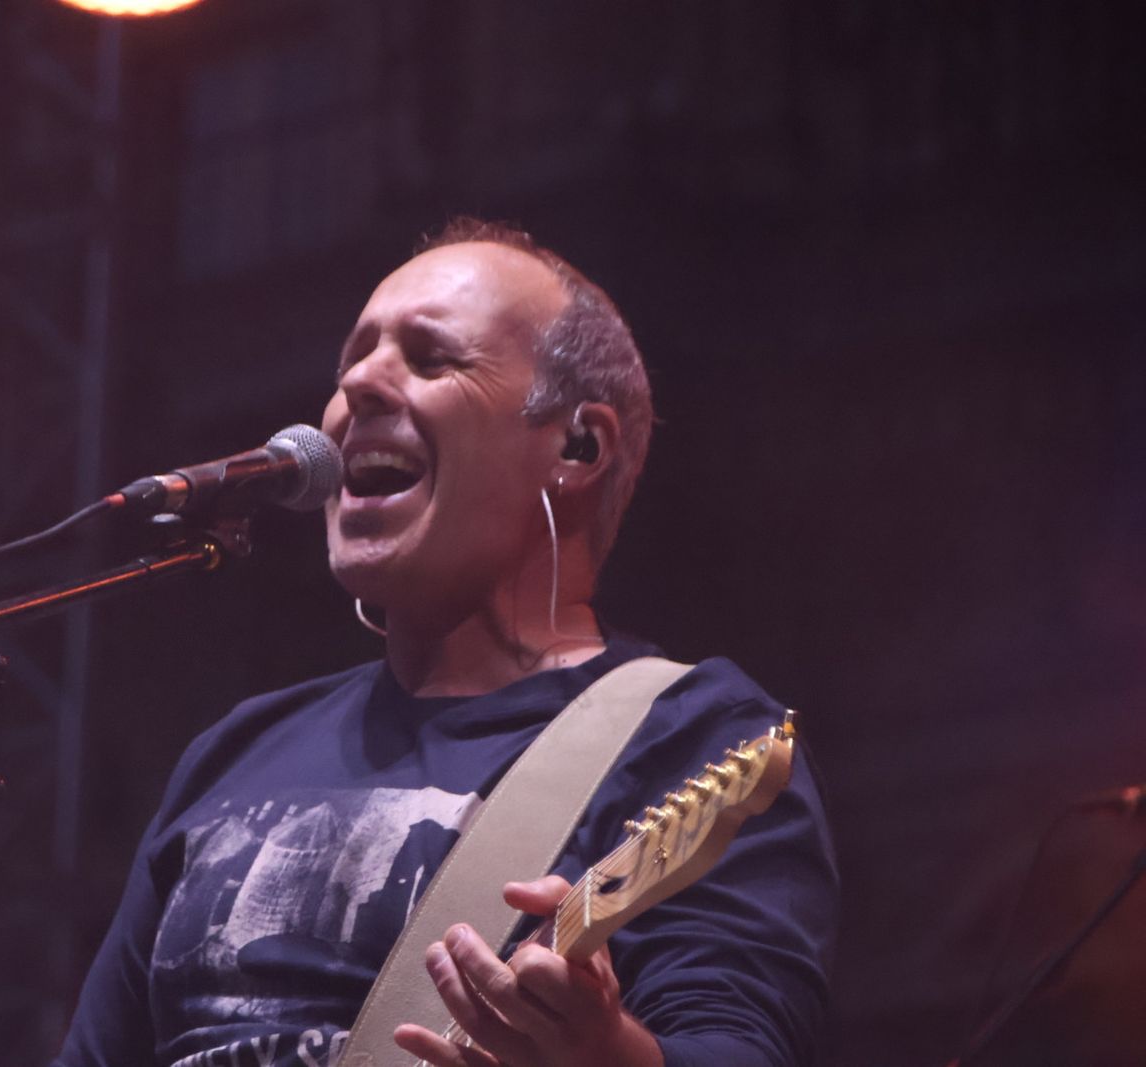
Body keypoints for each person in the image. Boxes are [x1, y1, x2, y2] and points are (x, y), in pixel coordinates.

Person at [54, 220, 838, 1067]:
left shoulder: (691, 733)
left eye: (430, 360)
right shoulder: (234, 752)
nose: (358, 381)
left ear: (576, 446)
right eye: (351, 359)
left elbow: (741, 1047)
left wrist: (603, 1053)